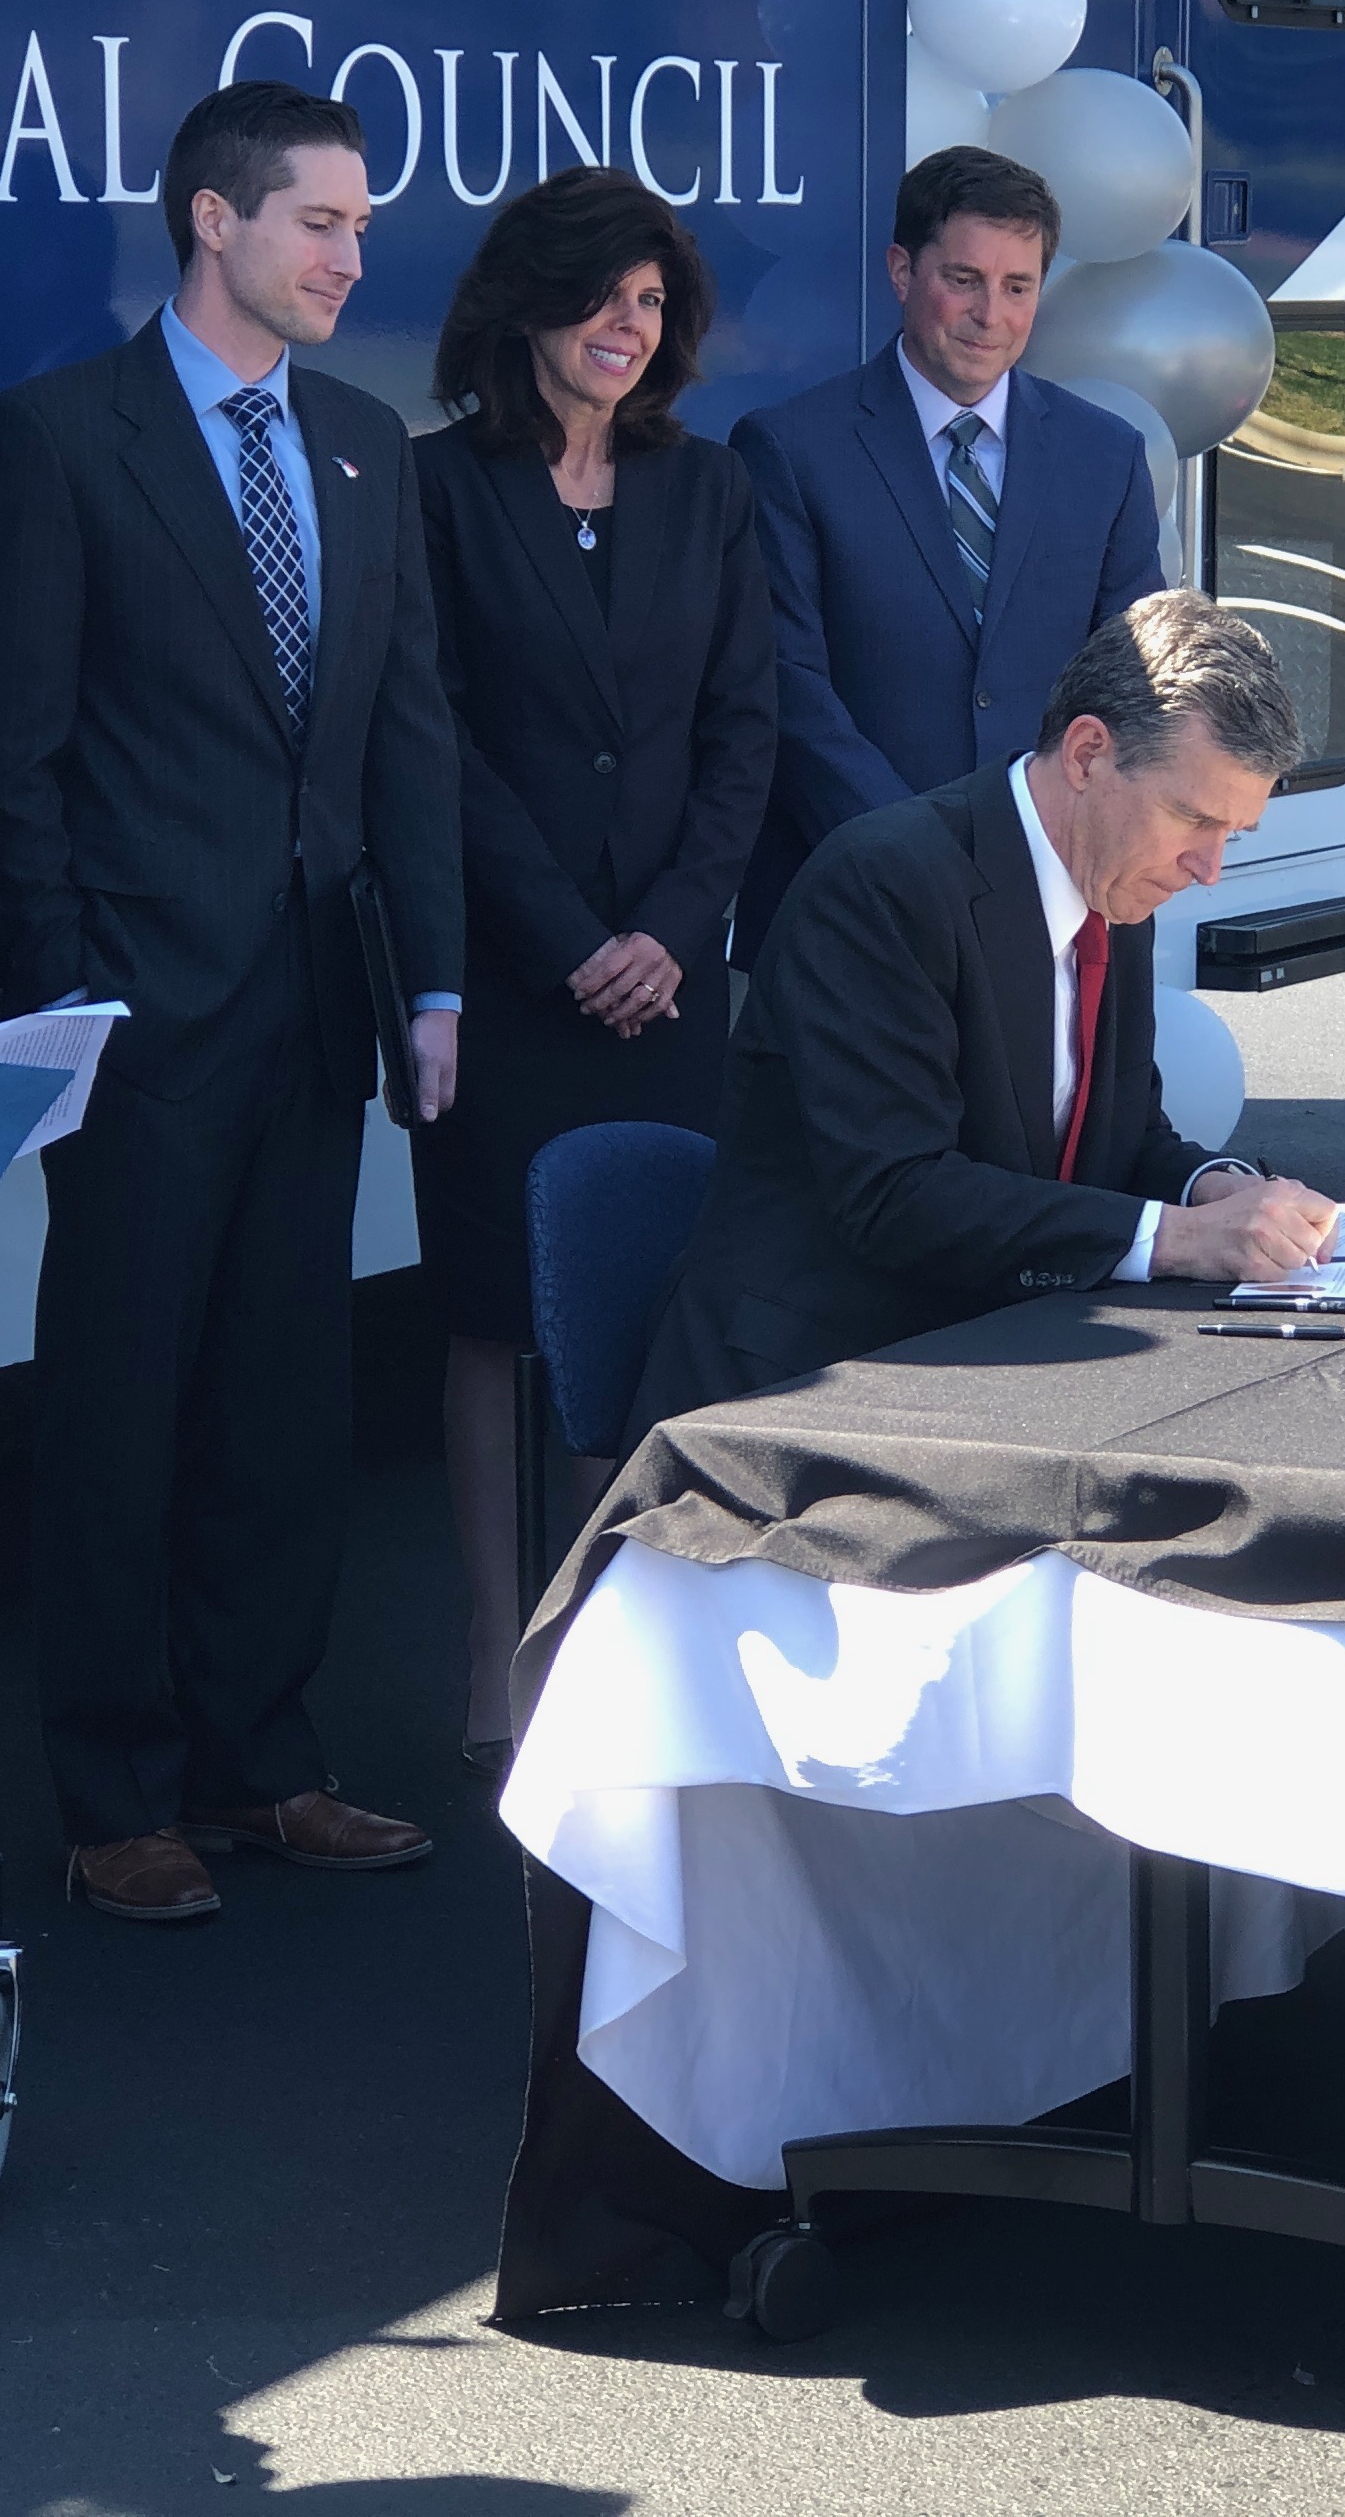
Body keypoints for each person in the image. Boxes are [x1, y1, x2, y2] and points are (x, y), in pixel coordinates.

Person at [0, 80, 465, 1925]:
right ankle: (115, 1793)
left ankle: (270, 1760)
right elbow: (14, 758)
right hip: (138, 1016)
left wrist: (433, 979)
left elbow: (400, 727)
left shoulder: (358, 438)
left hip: (322, 1005)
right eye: (319, 222)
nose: (351, 257)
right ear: (213, 224)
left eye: (356, 225)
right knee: (119, 1404)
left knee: (281, 1396)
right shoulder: (57, 438)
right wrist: (60, 1007)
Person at [632, 592, 1340, 1431]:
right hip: (806, 1393)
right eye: (1193, 818)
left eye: (1236, 833)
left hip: (993, 1357)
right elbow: (897, 1193)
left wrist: (1215, 1187)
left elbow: (1117, 1140)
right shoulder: (885, 883)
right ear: (1086, 754)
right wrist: (1186, 1237)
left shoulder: (1116, 887)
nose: (1209, 867)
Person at [413, 168, 777, 1766]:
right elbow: (437, 744)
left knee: (633, 1301)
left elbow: (739, 733)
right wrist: (568, 938)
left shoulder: (707, 491)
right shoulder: (434, 491)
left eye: (652, 304)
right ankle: (501, 1654)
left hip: (673, 976)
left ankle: (609, 1635)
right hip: (507, 974)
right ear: (527, 303)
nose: (626, 328)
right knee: (498, 1316)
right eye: (602, 298)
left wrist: (672, 929)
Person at [728, 146, 1164, 932]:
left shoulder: (1106, 456)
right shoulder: (789, 450)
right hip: (848, 904)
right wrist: (922, 859)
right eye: (963, 279)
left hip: (1050, 902)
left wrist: (1041, 853)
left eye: (1017, 286)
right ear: (902, 272)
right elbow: (787, 689)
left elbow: (1132, 681)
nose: (989, 314)